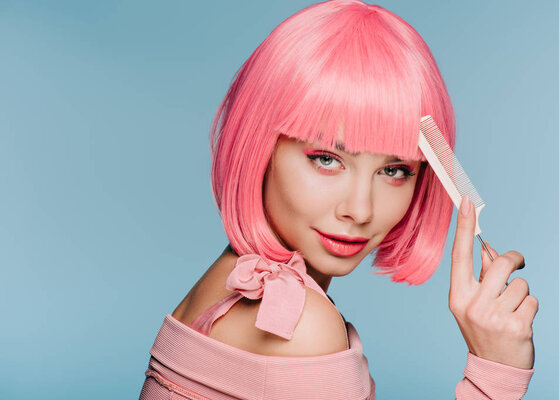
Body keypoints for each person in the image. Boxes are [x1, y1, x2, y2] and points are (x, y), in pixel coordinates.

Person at [139, 1, 538, 398]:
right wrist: (496, 372)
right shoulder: (298, 324)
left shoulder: (224, 280)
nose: (360, 210)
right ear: (260, 147)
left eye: (394, 170)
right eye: (326, 159)